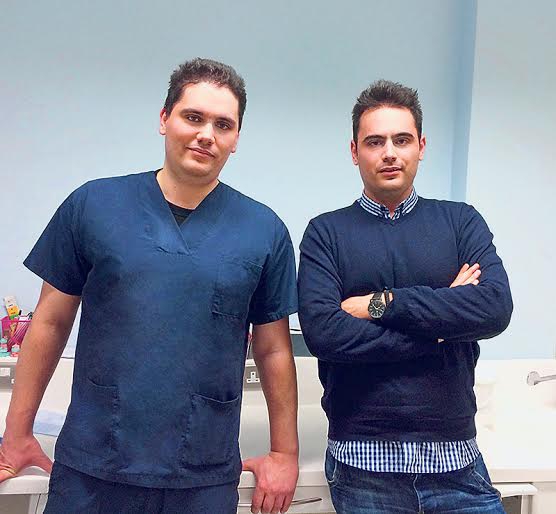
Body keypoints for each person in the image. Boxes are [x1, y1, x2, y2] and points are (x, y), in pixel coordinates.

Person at [0, 58, 299, 514]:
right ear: (164, 119)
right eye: (193, 117)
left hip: (201, 471)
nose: (206, 134)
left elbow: (274, 349)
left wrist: (284, 452)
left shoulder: (264, 231)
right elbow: (50, 322)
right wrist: (17, 432)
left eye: (223, 124)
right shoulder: (93, 205)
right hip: (94, 467)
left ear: (236, 138)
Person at [298, 80, 512, 513]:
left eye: (402, 140)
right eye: (375, 142)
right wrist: (441, 328)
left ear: (421, 146)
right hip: (362, 464)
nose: (390, 153)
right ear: (355, 151)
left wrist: (382, 304)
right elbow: (325, 335)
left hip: (455, 461)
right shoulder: (326, 233)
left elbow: (494, 308)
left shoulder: (460, 222)